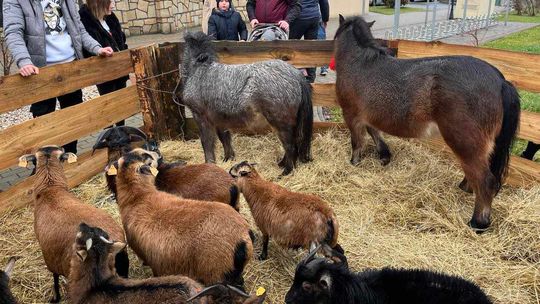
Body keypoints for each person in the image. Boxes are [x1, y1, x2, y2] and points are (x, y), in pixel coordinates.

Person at [3, 0, 113, 154]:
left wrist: (96, 48)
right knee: (43, 122)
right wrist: (24, 61)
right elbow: (13, 32)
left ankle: (69, 157)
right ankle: (45, 165)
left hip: (70, 68)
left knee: (72, 118)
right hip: (39, 73)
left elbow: (79, 29)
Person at [79, 0, 128, 126]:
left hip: (120, 69)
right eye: (110, 2)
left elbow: (121, 41)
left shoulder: (111, 19)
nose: (113, 5)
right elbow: (88, 48)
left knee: (120, 104)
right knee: (108, 106)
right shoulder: (86, 21)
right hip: (103, 72)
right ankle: (110, 136)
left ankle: (121, 132)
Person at [289, 0, 329, 83]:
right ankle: (310, 78)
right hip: (314, 18)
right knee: (311, 48)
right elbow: (324, 2)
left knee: (290, 47)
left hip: (297, 17)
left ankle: (299, 71)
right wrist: (325, 19)